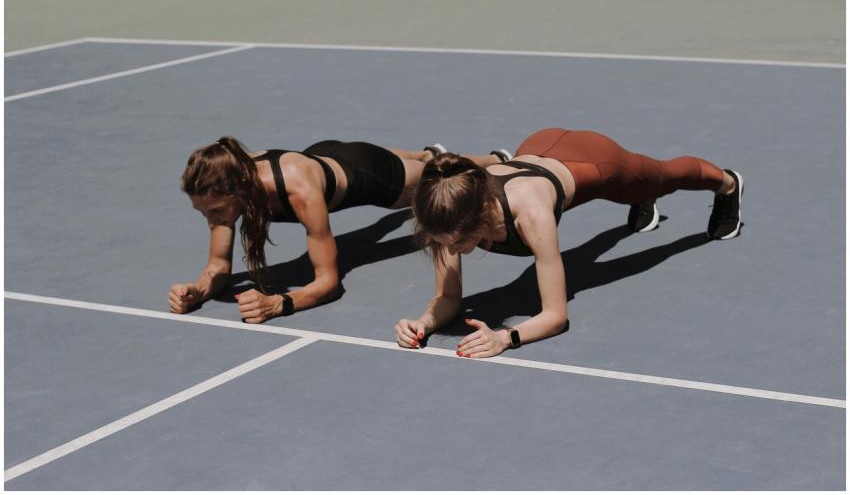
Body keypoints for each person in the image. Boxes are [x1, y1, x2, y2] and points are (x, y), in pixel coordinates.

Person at [395, 128, 743, 358]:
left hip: (592, 159)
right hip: (537, 146)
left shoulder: (530, 215)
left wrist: (505, 337)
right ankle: (637, 199)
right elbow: (450, 298)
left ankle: (727, 183)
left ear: (480, 219)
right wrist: (422, 324)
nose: (450, 252)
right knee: (628, 208)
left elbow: (555, 315)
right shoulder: (444, 214)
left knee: (662, 178)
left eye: (457, 244)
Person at [169, 137, 511, 323]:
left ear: (241, 187)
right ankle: (424, 151)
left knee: (435, 178)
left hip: (367, 174)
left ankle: (493, 160)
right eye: (203, 212)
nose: (212, 219)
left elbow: (328, 283)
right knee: (411, 161)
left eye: (214, 210)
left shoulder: (297, 189)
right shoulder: (227, 192)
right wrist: (198, 289)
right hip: (323, 154)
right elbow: (217, 267)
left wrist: (279, 303)